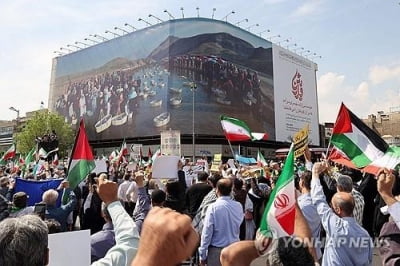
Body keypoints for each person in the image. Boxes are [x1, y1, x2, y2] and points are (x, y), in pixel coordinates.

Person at [311, 162, 372, 266]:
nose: (331, 209)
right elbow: (368, 261)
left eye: (332, 207)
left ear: (338, 210)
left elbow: (319, 200)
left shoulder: (335, 226)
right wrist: (330, 171)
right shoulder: (365, 235)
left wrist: (315, 173)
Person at [198, 178, 243, 266]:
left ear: (217, 190)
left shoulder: (213, 207)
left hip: (217, 251)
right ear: (231, 190)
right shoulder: (238, 206)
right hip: (234, 249)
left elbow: (207, 232)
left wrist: (202, 255)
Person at [297, 170, 322, 261]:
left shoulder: (300, 205)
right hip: (316, 252)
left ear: (302, 183)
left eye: (300, 180)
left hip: (301, 253)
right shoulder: (320, 203)